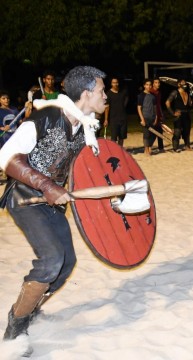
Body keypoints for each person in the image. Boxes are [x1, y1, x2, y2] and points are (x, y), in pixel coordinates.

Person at [0, 66, 107, 343]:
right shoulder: (47, 116)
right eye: (101, 91)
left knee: (66, 264)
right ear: (85, 94)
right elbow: (7, 158)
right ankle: (15, 331)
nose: (106, 96)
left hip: (54, 204)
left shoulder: (86, 128)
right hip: (25, 198)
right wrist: (47, 186)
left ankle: (30, 309)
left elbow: (86, 174)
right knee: (51, 261)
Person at [166, 79, 193, 152]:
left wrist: (192, 101)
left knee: (187, 131)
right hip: (178, 115)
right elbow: (167, 102)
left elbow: (190, 105)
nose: (184, 84)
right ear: (179, 84)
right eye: (183, 83)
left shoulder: (187, 93)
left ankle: (187, 146)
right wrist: (172, 113)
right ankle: (175, 148)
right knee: (177, 131)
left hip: (186, 114)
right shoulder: (175, 92)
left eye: (185, 82)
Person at [104, 77, 129, 146]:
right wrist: (106, 119)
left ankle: (120, 150)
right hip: (114, 118)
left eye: (116, 82)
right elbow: (107, 107)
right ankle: (114, 151)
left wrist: (124, 105)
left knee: (122, 136)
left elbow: (127, 97)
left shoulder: (122, 92)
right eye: (114, 83)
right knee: (114, 137)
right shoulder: (108, 94)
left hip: (123, 117)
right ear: (111, 84)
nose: (115, 84)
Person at [137, 78, 157, 156]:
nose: (149, 86)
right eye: (147, 85)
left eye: (150, 85)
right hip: (145, 117)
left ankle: (150, 147)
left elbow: (155, 108)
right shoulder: (141, 95)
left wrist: (156, 117)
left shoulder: (153, 96)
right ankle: (146, 150)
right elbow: (139, 108)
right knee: (146, 134)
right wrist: (142, 119)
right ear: (144, 86)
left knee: (153, 134)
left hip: (152, 117)